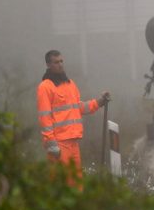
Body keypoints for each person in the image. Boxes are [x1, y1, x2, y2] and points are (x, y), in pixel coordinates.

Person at [36, 50, 110, 179]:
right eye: (56, 62)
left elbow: (79, 107)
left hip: (73, 143)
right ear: (48, 65)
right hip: (59, 143)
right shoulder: (45, 87)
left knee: (76, 182)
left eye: (61, 61)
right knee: (61, 183)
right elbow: (44, 117)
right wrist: (51, 144)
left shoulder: (70, 84)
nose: (60, 64)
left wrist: (99, 102)